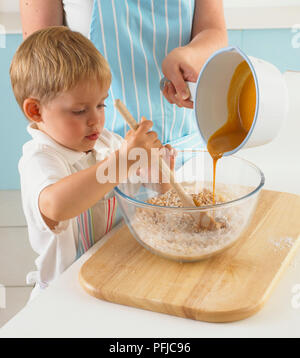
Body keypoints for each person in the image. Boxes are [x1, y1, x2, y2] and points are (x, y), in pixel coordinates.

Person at [9, 26, 175, 300]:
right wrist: (122, 162)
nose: (95, 120)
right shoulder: (40, 159)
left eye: (101, 105)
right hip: (64, 297)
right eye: (79, 110)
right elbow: (57, 205)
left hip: (113, 280)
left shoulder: (105, 142)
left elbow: (155, 197)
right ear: (36, 110)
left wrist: (158, 170)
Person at [20, 0, 228, 149]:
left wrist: (191, 54)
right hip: (92, 155)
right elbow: (40, 67)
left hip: (182, 145)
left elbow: (213, 30)